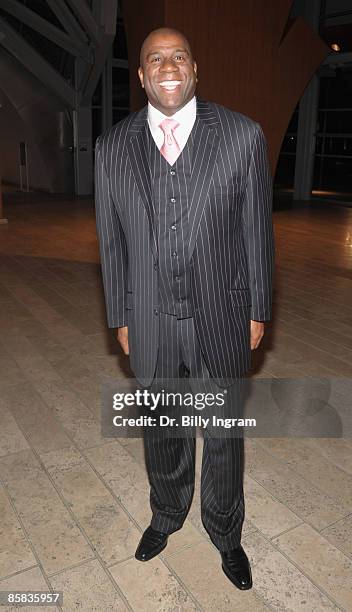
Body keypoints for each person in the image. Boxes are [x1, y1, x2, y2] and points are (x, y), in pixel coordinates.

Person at [94, 27, 274, 591]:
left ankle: (225, 532)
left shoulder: (242, 136)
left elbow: (257, 234)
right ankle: (167, 512)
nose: (167, 65)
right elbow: (111, 242)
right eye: (155, 58)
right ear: (143, 75)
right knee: (162, 425)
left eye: (178, 56)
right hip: (147, 316)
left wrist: (259, 307)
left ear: (195, 68)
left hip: (222, 312)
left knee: (222, 431)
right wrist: (120, 317)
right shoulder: (113, 146)